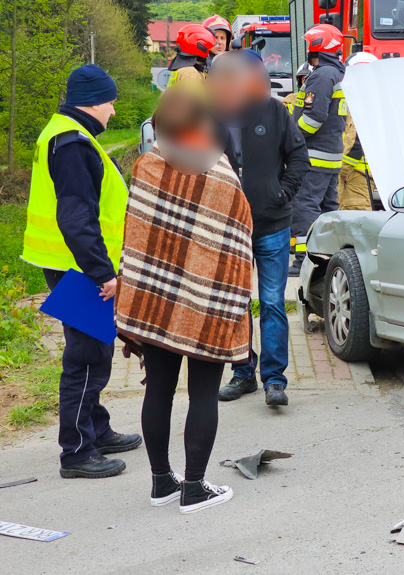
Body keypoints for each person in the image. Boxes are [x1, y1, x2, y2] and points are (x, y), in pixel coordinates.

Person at [115, 85, 254, 514]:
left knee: (157, 389)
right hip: (208, 303)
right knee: (203, 395)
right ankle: (193, 488)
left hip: (155, 299)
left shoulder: (148, 165)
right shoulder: (221, 174)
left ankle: (161, 483)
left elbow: (136, 236)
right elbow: (237, 242)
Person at [22, 64, 141, 479]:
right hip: (77, 267)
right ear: (92, 101)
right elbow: (77, 217)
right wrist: (101, 273)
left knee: (93, 350)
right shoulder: (72, 143)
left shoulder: (65, 132)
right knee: (87, 356)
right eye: (109, 102)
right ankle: (76, 451)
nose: (112, 111)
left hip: (67, 262)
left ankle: (97, 429)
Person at [208, 50, 310, 407]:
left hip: (272, 224)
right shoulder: (210, 114)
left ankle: (275, 380)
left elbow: (299, 157)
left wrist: (283, 193)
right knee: (235, 303)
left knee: (271, 303)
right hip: (226, 227)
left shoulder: (274, 111)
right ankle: (241, 373)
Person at [288, 24, 347, 277]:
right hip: (329, 155)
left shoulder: (322, 76)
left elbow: (314, 118)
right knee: (327, 208)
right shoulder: (336, 74)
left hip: (314, 156)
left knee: (304, 206)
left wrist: (291, 140)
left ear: (318, 48)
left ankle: (304, 261)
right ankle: (327, 261)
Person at [339, 52, 378, 211]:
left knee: (353, 218)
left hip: (356, 174)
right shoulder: (373, 99)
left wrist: (343, 170)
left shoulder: (361, 102)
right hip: (364, 172)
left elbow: (357, 141)